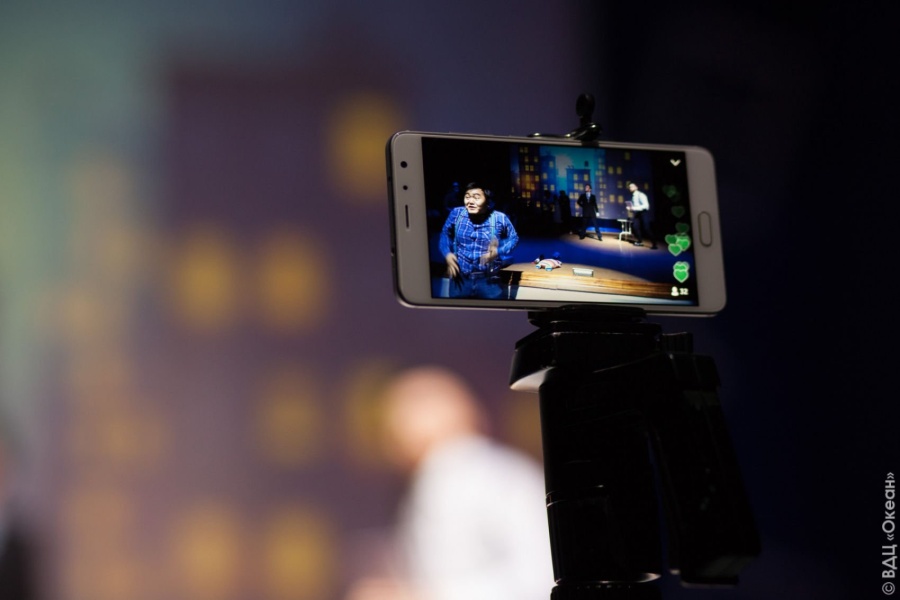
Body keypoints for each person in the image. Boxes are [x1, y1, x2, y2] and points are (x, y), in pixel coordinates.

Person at [345, 366, 553, 600]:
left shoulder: (492, 475)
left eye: (412, 405)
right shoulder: (432, 480)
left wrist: (423, 596)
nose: (390, 428)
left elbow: (541, 577)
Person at [439, 182, 519, 299]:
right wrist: (447, 253)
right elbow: (445, 234)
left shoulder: (499, 218)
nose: (470, 201)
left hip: (489, 282)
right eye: (467, 197)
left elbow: (514, 238)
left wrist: (498, 251)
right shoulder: (456, 214)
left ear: (488, 201)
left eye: (476, 197)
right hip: (460, 281)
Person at [628, 182, 657, 249]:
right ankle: (639, 241)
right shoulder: (633, 196)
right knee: (635, 226)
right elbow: (635, 206)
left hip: (644, 212)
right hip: (637, 213)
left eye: (632, 186)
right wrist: (631, 209)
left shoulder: (641, 195)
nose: (630, 188)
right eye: (629, 187)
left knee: (646, 228)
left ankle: (654, 243)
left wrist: (633, 208)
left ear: (636, 187)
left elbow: (646, 206)